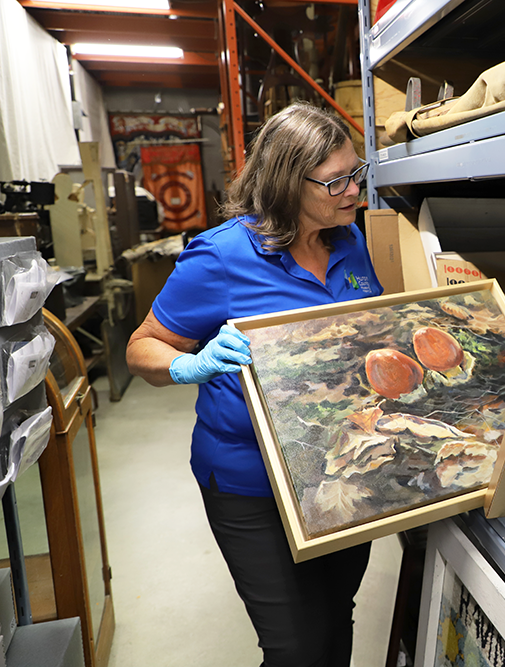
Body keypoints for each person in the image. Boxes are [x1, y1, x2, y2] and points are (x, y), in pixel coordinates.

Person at [126, 102, 382, 667]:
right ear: (288, 184)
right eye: (336, 180)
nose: (353, 190)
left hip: (337, 474)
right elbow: (141, 346)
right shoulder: (219, 257)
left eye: (355, 171)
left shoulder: (350, 241)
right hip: (251, 484)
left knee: (335, 617)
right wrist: (190, 364)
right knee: (293, 647)